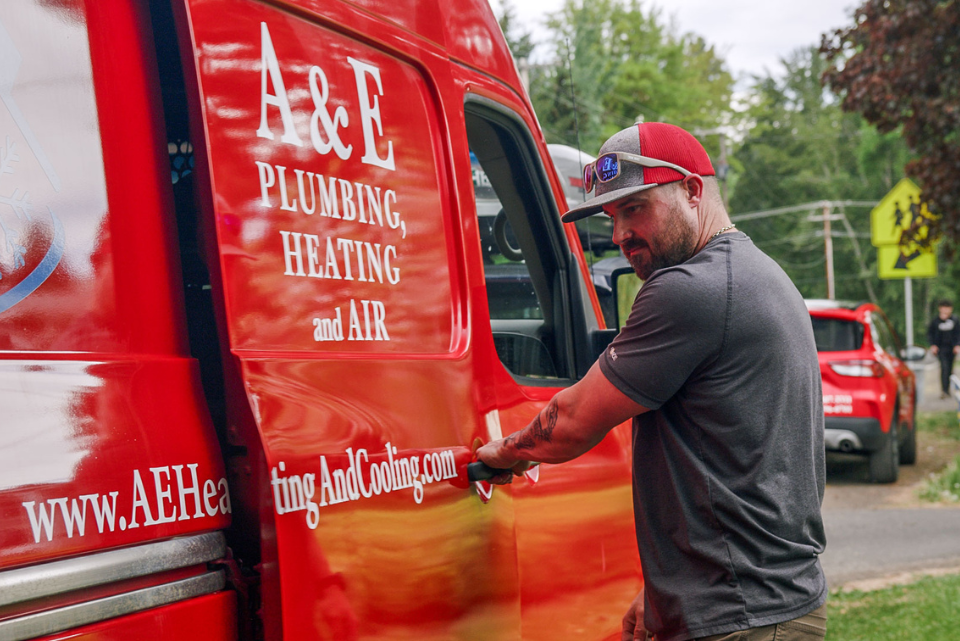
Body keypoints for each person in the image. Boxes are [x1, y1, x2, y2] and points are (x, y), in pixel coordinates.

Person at [477, 122, 827, 641]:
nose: (619, 235)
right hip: (764, 602)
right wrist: (668, 588)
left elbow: (571, 422)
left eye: (635, 207)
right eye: (611, 216)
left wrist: (498, 456)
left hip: (742, 617)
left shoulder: (688, 288)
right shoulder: (760, 275)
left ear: (692, 190)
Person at [927, 299, 960, 399]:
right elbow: (930, 333)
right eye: (943, 307)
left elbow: (958, 333)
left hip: (952, 348)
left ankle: (948, 389)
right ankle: (944, 390)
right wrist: (933, 345)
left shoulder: (955, 320)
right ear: (940, 308)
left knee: (949, 369)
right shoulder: (935, 321)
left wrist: (957, 345)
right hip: (941, 348)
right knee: (944, 368)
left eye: (947, 307)